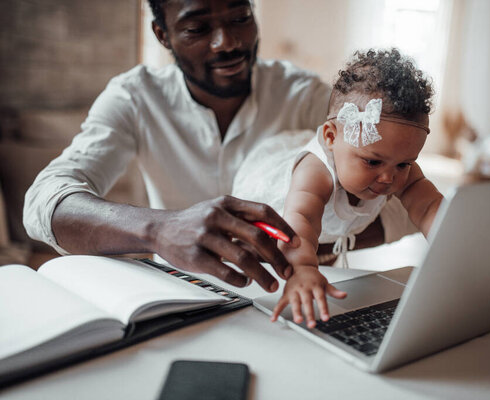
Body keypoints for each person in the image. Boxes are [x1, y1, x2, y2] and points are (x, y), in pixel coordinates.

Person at [23, 0, 406, 293]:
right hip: (176, 296)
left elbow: (403, 201)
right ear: (162, 34)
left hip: (294, 296)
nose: (229, 43)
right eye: (198, 28)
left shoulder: (304, 96)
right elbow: (43, 201)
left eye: (240, 18)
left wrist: (315, 241)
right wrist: (160, 228)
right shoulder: (134, 98)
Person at [233, 49, 443, 327]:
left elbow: (429, 207)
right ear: (331, 137)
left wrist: (456, 248)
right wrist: (304, 269)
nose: (388, 178)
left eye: (404, 164)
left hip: (335, 205)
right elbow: (301, 222)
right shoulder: (316, 172)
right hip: (272, 190)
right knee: (306, 241)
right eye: (372, 161)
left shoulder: (391, 162)